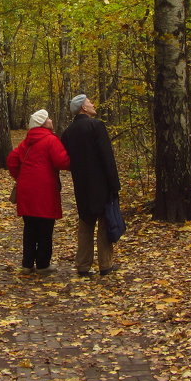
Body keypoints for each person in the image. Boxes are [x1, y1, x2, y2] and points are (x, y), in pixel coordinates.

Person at [61, 94, 120, 276]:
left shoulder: (68, 132)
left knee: (85, 223)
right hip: (101, 183)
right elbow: (107, 157)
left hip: (81, 185)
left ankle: (83, 265)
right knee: (104, 223)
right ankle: (105, 264)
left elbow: (67, 160)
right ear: (83, 108)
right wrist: (114, 184)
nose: (93, 104)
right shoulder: (96, 126)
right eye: (89, 102)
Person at [6, 109, 70, 273]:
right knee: (45, 227)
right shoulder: (50, 140)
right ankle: (42, 264)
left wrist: (19, 177)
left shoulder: (26, 141)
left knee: (29, 227)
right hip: (45, 190)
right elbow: (62, 161)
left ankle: (27, 264)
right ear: (43, 123)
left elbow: (12, 160)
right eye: (48, 118)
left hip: (26, 190)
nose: (51, 120)